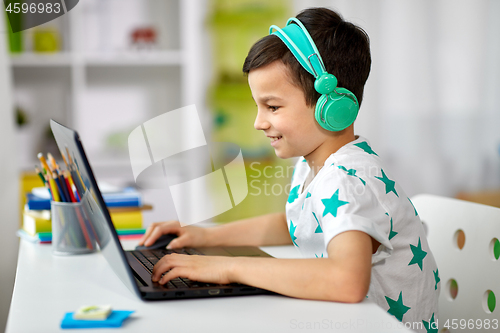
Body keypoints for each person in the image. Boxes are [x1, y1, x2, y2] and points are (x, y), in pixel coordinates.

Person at [139, 7, 439, 329]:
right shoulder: (314, 164)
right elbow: (294, 223)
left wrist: (227, 267)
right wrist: (203, 236)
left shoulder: (348, 180)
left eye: (272, 106)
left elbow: (346, 282)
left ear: (333, 107)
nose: (258, 122)